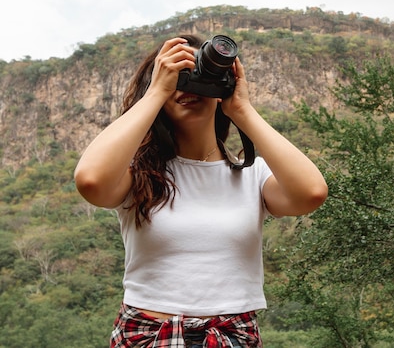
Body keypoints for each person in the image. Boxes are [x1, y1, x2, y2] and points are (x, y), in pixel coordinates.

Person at [74, 34, 328, 347]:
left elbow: (312, 192)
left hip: (233, 337)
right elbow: (90, 181)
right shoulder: (136, 175)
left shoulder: (253, 175)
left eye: (198, 74)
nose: (187, 86)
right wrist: (156, 92)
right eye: (178, 76)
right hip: (148, 336)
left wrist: (242, 110)